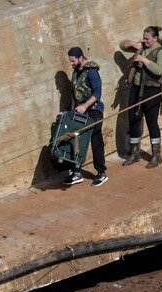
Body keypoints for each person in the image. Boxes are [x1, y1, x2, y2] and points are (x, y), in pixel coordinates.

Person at [120, 26, 162, 168]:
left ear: (155, 38)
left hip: (152, 90)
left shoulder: (160, 51)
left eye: (147, 38)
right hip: (136, 89)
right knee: (134, 120)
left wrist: (143, 59)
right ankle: (134, 153)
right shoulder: (141, 46)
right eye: (143, 38)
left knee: (151, 122)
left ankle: (156, 155)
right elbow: (121, 45)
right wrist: (132, 43)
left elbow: (159, 69)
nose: (144, 40)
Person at [62, 46, 107, 187]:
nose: (72, 64)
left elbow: (97, 93)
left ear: (81, 58)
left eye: (73, 61)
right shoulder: (75, 74)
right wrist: (66, 112)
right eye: (70, 61)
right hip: (80, 111)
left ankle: (101, 173)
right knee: (74, 139)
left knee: (95, 139)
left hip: (93, 110)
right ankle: (76, 172)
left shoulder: (91, 72)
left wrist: (85, 106)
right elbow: (74, 97)